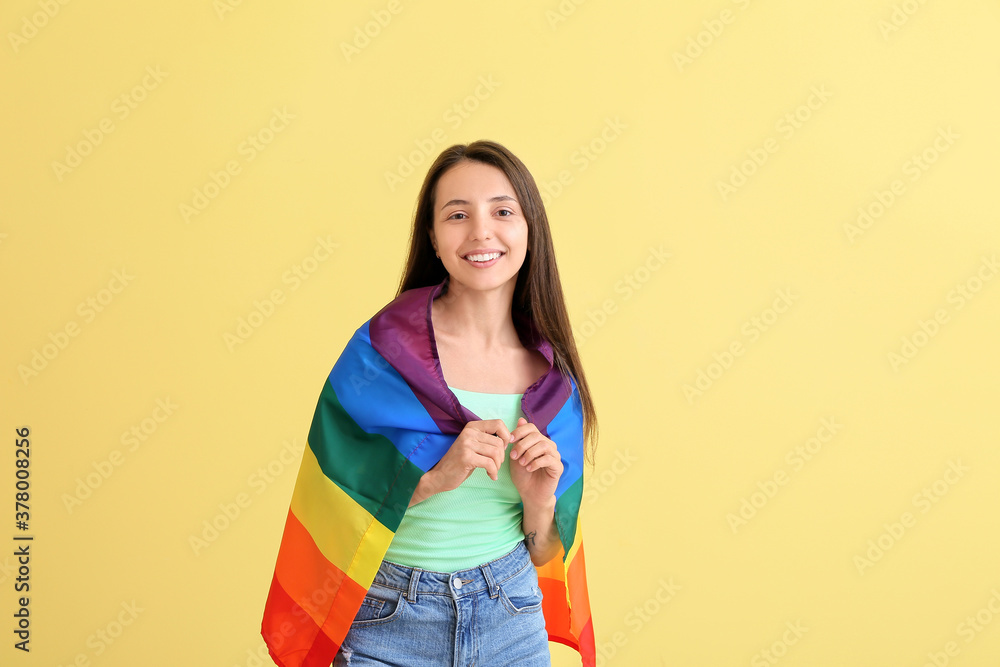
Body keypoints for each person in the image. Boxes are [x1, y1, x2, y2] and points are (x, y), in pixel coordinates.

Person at [260, 140, 598, 667]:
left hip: (509, 615)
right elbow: (335, 504)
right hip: (387, 619)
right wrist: (436, 477)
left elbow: (544, 550)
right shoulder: (382, 352)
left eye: (503, 211)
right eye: (457, 215)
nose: (481, 232)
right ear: (434, 240)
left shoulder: (553, 381)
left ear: (529, 231)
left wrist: (539, 501)